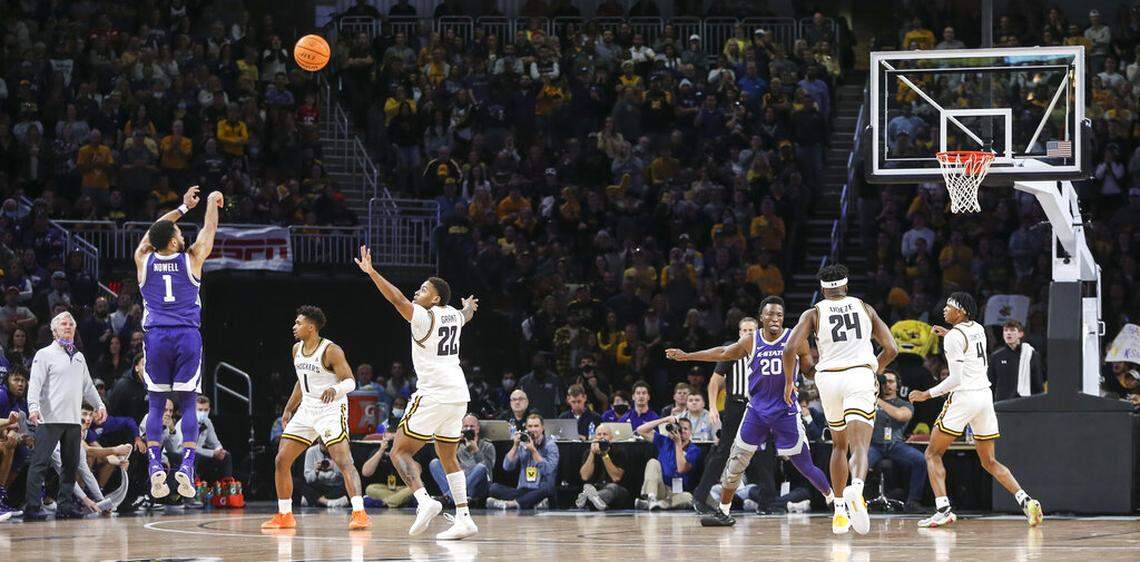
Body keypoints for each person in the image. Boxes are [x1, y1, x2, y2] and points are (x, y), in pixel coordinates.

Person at [667, 296, 835, 526]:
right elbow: (723, 353)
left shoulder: (796, 339)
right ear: (761, 318)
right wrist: (688, 355)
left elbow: (808, 371)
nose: (775, 318)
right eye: (770, 314)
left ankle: (833, 499)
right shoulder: (751, 340)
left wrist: (827, 371)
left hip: (785, 412)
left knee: (804, 465)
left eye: (779, 314)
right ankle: (724, 512)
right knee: (735, 463)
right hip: (756, 411)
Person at [354, 245, 479, 540]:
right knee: (448, 456)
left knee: (399, 451)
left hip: (434, 393)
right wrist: (470, 306)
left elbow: (396, 298)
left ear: (435, 298)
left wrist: (372, 272)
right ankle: (464, 517)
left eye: (423, 289)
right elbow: (466, 314)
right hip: (458, 394)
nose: (416, 293)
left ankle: (425, 501)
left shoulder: (427, 316)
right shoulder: (452, 315)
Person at [909, 292, 1043, 528]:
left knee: (932, 454)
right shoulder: (978, 328)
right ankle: (1026, 500)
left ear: (960, 312)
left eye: (949, 307)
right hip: (984, 397)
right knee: (989, 461)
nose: (944, 311)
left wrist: (925, 394)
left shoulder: (953, 339)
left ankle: (943, 509)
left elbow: (955, 380)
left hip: (964, 397)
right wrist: (949, 333)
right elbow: (966, 341)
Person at [782, 264, 898, 535]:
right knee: (860, 445)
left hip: (828, 379)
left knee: (838, 445)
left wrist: (790, 382)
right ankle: (856, 488)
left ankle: (839, 512)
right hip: (858, 375)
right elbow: (891, 348)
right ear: (846, 287)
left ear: (822, 289)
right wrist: (873, 368)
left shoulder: (814, 312)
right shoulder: (865, 308)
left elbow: (790, 349)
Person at [133, 185, 222, 501]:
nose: (182, 234)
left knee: (156, 404)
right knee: (187, 403)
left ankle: (155, 464)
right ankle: (186, 466)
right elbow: (209, 230)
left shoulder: (143, 259)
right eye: (177, 232)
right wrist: (211, 202)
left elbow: (151, 233)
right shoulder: (193, 258)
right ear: (173, 241)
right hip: (186, 336)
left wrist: (182, 208)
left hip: (156, 337)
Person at [262, 306, 370, 531]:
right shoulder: (296, 349)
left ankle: (360, 513)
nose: (294, 326)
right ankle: (284, 515)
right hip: (307, 409)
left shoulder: (331, 350)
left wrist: (336, 390)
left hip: (331, 409)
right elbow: (301, 382)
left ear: (311, 327)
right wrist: (289, 408)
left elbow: (350, 381)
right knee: (282, 460)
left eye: (298, 323)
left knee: (343, 461)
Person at [22, 312, 107, 520]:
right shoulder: (44, 354)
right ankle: (32, 507)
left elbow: (88, 385)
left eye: (71, 324)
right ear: (54, 330)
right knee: (39, 464)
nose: (67, 327)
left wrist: (99, 405)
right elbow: (35, 384)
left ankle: (65, 507)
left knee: (70, 467)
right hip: (49, 419)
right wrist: (33, 407)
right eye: (63, 324)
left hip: (72, 421)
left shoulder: (78, 357)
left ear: (74, 329)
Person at [691, 317, 771, 515]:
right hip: (736, 405)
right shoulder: (733, 351)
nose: (747, 333)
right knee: (724, 451)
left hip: (759, 406)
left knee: (763, 452)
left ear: (757, 330)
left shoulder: (766, 350)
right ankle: (700, 497)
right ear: (739, 333)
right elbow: (715, 381)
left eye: (751, 330)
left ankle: (767, 502)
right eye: (743, 330)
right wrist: (713, 407)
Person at [869, 370, 925, 513]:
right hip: (874, 444)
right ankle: (856, 499)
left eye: (891, 381)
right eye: (884, 382)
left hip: (896, 445)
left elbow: (901, 416)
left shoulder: (904, 404)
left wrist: (878, 400)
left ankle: (913, 501)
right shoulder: (868, 403)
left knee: (921, 460)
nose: (887, 385)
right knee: (858, 462)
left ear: (898, 385)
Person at [487, 413, 559, 510]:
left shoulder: (550, 446)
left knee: (547, 488)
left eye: (536, 426)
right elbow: (507, 467)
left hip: (540, 488)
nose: (533, 429)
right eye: (530, 426)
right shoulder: (522, 444)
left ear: (542, 428)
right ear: (526, 427)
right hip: (523, 489)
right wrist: (515, 446)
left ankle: (512, 504)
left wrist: (533, 451)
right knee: (494, 488)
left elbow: (548, 470)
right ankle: (533, 503)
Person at [633, 416, 701, 510]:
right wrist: (665, 420)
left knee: (688, 498)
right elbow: (640, 430)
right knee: (653, 462)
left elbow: (681, 469)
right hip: (661, 489)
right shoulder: (665, 441)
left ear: (691, 432)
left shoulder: (694, 450)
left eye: (686, 429)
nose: (682, 431)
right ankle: (651, 498)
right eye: (680, 428)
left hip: (678, 493)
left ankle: (657, 504)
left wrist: (678, 444)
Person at [428, 414, 495, 505]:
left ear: (478, 429)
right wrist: (455, 442)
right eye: (466, 427)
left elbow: (488, 471)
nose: (468, 429)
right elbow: (446, 461)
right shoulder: (459, 445)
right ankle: (455, 498)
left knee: (480, 467)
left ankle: (449, 498)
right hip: (460, 481)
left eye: (472, 427)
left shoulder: (487, 446)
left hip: (478, 485)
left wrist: (475, 451)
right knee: (434, 463)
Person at [576, 424, 630, 510]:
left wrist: (604, 454)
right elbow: (585, 476)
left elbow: (616, 477)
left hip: (616, 490)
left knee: (612, 487)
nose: (601, 437)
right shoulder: (588, 452)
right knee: (588, 486)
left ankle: (590, 498)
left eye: (605, 434)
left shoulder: (619, 451)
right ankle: (595, 500)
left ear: (611, 438)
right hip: (596, 487)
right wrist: (592, 453)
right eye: (599, 434)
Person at [988, 320, 1044, 401]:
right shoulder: (995, 356)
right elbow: (991, 384)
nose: (1008, 333)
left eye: (1012, 330)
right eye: (1006, 330)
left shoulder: (1031, 355)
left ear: (1021, 334)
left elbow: (1038, 384)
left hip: (1024, 404)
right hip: (1001, 406)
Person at [189, 396, 232, 483]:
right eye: (200, 410)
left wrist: (220, 451)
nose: (203, 413)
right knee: (196, 456)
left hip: (200, 454)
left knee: (226, 456)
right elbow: (191, 448)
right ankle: (194, 487)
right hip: (184, 453)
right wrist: (213, 453)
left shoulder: (207, 422)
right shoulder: (187, 422)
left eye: (206, 410)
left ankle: (224, 488)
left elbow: (215, 443)